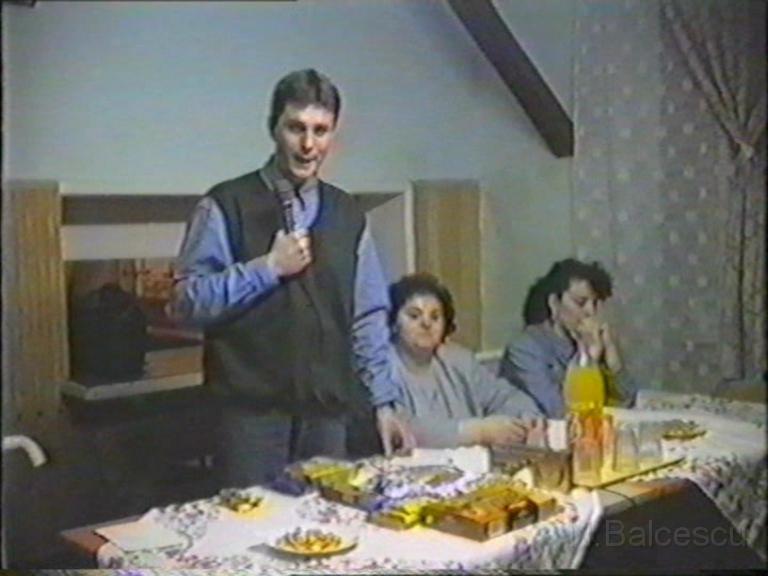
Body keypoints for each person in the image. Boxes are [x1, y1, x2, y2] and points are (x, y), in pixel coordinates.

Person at [168, 69, 413, 487]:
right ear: (274, 128)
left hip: (326, 417)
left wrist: (384, 404)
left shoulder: (349, 215)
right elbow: (186, 302)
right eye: (296, 128)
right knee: (253, 524)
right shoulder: (225, 204)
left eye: (321, 130)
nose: (308, 144)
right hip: (249, 419)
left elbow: (367, 317)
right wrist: (267, 269)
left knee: (327, 521)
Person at [387, 273, 542, 448]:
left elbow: (504, 396)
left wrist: (527, 417)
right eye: (414, 316)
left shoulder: (459, 361)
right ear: (394, 323)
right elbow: (402, 430)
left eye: (435, 317)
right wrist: (478, 432)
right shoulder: (382, 370)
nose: (426, 323)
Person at [498, 258, 635, 418]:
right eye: (580, 302)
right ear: (554, 303)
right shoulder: (524, 349)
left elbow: (627, 401)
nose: (590, 311)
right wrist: (587, 359)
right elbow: (560, 412)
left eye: (595, 303)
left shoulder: (589, 341)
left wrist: (613, 360)